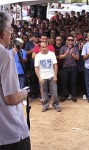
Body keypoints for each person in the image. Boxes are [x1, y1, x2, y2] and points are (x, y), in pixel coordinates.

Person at [0, 11, 30, 149]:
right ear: (2, 34)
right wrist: (24, 93)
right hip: (9, 133)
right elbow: (11, 98)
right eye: (10, 30)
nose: (11, 34)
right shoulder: (4, 56)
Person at [34, 41, 61, 112]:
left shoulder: (51, 54)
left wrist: (55, 76)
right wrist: (39, 77)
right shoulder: (38, 56)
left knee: (54, 92)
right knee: (44, 92)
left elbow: (55, 66)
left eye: (45, 46)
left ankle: (56, 105)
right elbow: (36, 68)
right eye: (43, 47)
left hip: (51, 76)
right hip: (42, 77)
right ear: (40, 48)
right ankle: (45, 106)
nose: (44, 48)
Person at [59, 35, 79, 102]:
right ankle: (63, 96)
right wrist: (66, 54)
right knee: (64, 83)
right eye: (69, 40)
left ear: (74, 41)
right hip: (65, 68)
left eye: (72, 40)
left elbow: (78, 58)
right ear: (66, 40)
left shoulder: (75, 48)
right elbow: (60, 57)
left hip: (73, 67)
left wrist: (72, 55)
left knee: (73, 82)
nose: (70, 41)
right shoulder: (63, 48)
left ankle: (74, 96)